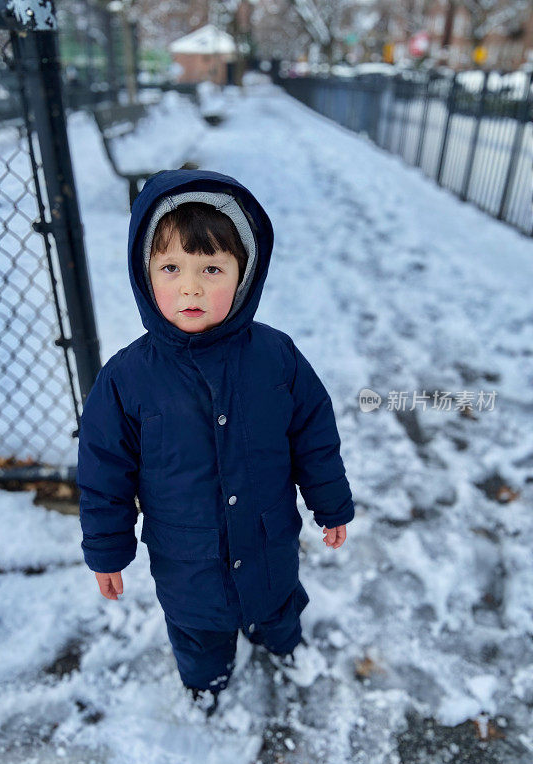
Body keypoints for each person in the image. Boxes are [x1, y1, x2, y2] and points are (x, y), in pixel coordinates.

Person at [76, 168, 355, 717]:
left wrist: (330, 502)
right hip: (188, 557)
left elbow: (314, 435)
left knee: (277, 606)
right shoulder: (126, 379)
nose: (191, 286)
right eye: (172, 267)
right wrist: (107, 547)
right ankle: (206, 681)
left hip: (268, 536)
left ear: (245, 273)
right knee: (198, 630)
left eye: (212, 267)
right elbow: (104, 472)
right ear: (144, 273)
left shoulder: (276, 358)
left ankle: (283, 645)